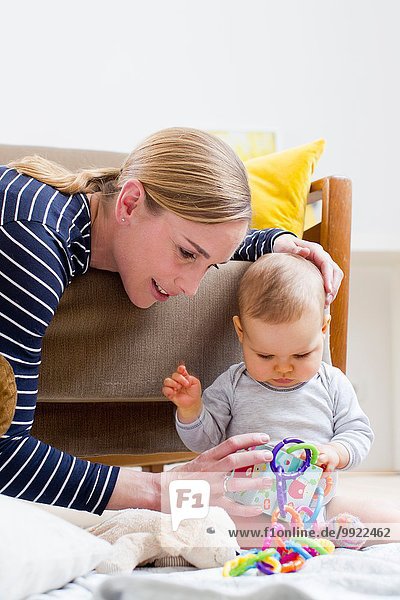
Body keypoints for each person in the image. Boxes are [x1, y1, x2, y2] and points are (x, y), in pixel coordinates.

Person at [0, 127, 342, 515]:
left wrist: (276, 242)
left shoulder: (67, 218)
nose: (193, 288)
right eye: (185, 254)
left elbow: (203, 237)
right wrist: (164, 489)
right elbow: (2, 455)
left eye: (211, 266)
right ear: (128, 204)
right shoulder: (30, 242)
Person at [163, 253, 399, 530]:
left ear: (323, 329)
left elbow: (358, 433)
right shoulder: (233, 383)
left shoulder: (332, 383)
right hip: (244, 505)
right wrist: (192, 410)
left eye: (301, 355)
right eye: (265, 356)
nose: (283, 369)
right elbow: (205, 444)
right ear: (241, 332)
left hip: (318, 501)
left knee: (387, 520)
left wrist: (335, 451)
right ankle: (289, 534)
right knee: (201, 524)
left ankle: (313, 529)